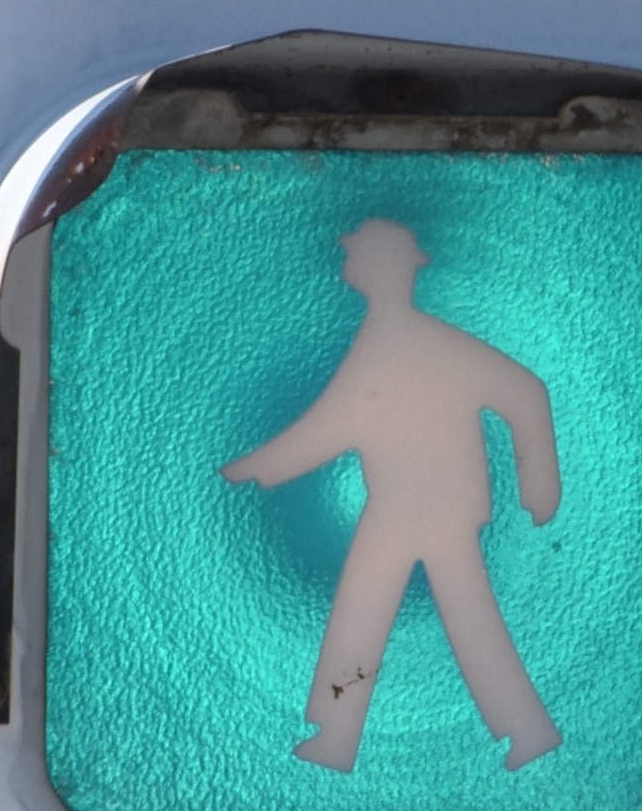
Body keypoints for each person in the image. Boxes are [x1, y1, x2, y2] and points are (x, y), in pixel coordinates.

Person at [222, 218, 561, 772]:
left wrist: (539, 480)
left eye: (358, 255)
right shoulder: (379, 339)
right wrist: (260, 467)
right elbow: (335, 424)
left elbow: (525, 391)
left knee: (448, 618)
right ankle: (338, 734)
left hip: (434, 508)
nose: (349, 264)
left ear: (387, 269)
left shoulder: (425, 341)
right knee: (380, 610)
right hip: (400, 505)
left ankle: (522, 732)